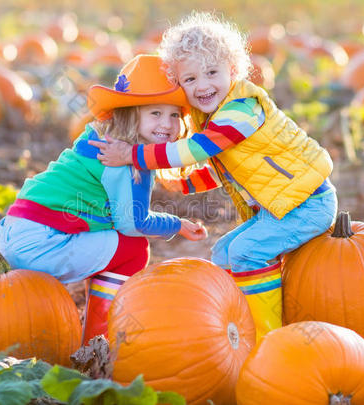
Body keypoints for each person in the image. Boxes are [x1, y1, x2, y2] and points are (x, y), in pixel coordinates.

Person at [89, 13, 338, 340]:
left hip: (307, 204)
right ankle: (235, 326)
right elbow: (222, 171)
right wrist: (178, 183)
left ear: (232, 71)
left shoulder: (243, 109)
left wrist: (136, 156)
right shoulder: (215, 118)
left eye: (211, 73)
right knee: (223, 253)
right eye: (190, 79)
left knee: (248, 252)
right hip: (282, 208)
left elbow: (198, 150)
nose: (202, 85)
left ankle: (269, 340)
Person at [0, 55, 209, 345]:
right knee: (133, 249)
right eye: (155, 114)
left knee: (110, 239)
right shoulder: (127, 159)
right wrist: (177, 225)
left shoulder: (98, 138)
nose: (167, 124)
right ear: (130, 114)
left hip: (15, 232)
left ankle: (85, 322)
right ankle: (98, 341)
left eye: (174, 115)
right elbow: (134, 223)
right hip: (43, 243)